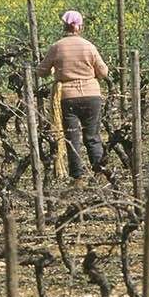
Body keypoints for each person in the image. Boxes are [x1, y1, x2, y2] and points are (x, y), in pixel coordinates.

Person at [36, 9, 110, 180]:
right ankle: (100, 173)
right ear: (79, 28)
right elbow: (104, 72)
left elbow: (41, 71)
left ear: (64, 26)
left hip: (67, 97)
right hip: (92, 96)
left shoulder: (56, 47)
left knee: (72, 138)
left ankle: (77, 177)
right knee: (92, 136)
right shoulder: (89, 46)